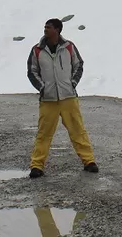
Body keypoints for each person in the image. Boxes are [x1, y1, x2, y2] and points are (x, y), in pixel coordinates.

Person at [26, 17, 98, 178]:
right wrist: (42, 88)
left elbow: (78, 65)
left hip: (68, 98)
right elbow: (32, 71)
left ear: (57, 30)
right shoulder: (37, 50)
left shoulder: (69, 47)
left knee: (77, 130)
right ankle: (37, 166)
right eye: (45, 27)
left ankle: (89, 161)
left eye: (48, 27)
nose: (45, 29)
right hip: (48, 100)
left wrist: (72, 83)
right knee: (44, 133)